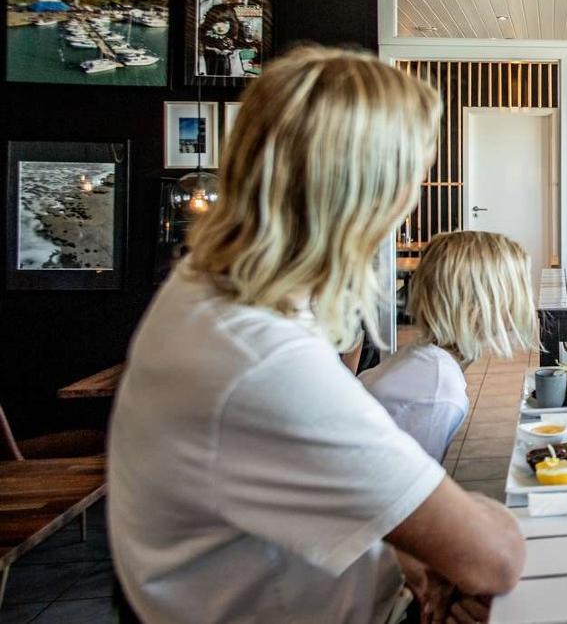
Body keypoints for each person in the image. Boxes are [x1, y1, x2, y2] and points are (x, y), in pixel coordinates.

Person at [109, 46, 523, 624]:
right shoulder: (262, 359)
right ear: (360, 196)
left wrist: (407, 550)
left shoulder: (207, 291)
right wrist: (453, 534)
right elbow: (496, 558)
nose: (409, 204)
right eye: (409, 181)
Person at [361, 230, 538, 460]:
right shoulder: (436, 392)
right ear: (475, 306)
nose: (524, 301)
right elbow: (413, 493)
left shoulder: (423, 361)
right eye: (514, 291)